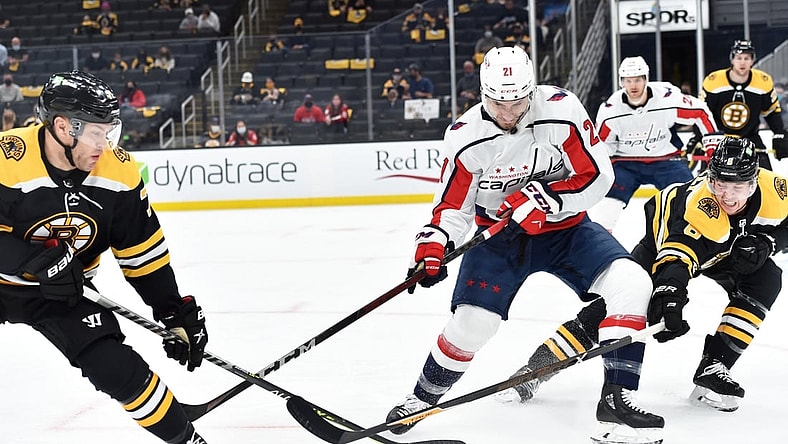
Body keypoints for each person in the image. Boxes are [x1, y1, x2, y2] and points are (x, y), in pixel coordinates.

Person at [386, 46, 663, 444]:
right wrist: (434, 243)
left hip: (567, 230)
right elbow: (452, 207)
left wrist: (549, 199)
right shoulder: (465, 138)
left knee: (632, 283)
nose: (509, 113)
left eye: (518, 102)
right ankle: (420, 400)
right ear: (483, 94)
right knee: (472, 325)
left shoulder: (561, 110)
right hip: (500, 238)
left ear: (531, 91)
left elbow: (598, 175)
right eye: (499, 103)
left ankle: (618, 400)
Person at [498, 136, 786, 415]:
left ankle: (713, 367)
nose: (726, 195)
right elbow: (676, 259)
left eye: (736, 187)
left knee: (767, 279)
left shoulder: (776, 189)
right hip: (665, 248)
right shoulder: (698, 206)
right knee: (619, 304)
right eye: (720, 184)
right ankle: (535, 369)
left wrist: (770, 242)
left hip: (724, 251)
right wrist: (669, 295)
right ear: (710, 179)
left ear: (753, 182)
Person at [0, 71, 208, 444]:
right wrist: (33, 261)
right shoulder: (7, 157)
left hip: (62, 293)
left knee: (114, 367)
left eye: (109, 131)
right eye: (97, 132)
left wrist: (173, 310)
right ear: (63, 127)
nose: (105, 144)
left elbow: (142, 252)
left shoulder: (118, 170)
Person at [586, 56, 718, 233]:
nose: (633, 85)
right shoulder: (610, 110)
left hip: (666, 161)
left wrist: (712, 145)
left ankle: (694, 238)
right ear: (621, 82)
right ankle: (599, 246)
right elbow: (603, 144)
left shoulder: (667, 99)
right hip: (626, 164)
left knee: (689, 201)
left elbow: (701, 112)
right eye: (628, 80)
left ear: (646, 79)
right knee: (607, 209)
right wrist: (598, 164)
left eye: (638, 80)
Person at [700, 40, 786, 170]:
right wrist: (698, 137)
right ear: (732, 60)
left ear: (752, 61)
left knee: (765, 178)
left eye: (747, 58)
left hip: (750, 138)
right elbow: (701, 113)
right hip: (718, 140)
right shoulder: (714, 81)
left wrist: (779, 134)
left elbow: (771, 111)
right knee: (708, 181)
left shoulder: (763, 81)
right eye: (739, 58)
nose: (742, 62)